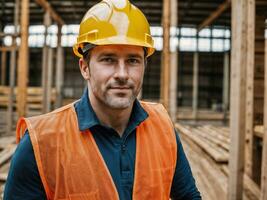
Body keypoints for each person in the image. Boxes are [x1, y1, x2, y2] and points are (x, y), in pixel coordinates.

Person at [4, 0, 201, 199]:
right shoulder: (41, 143)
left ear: (144, 66)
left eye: (133, 60)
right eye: (108, 59)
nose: (122, 74)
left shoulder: (162, 127)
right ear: (84, 67)